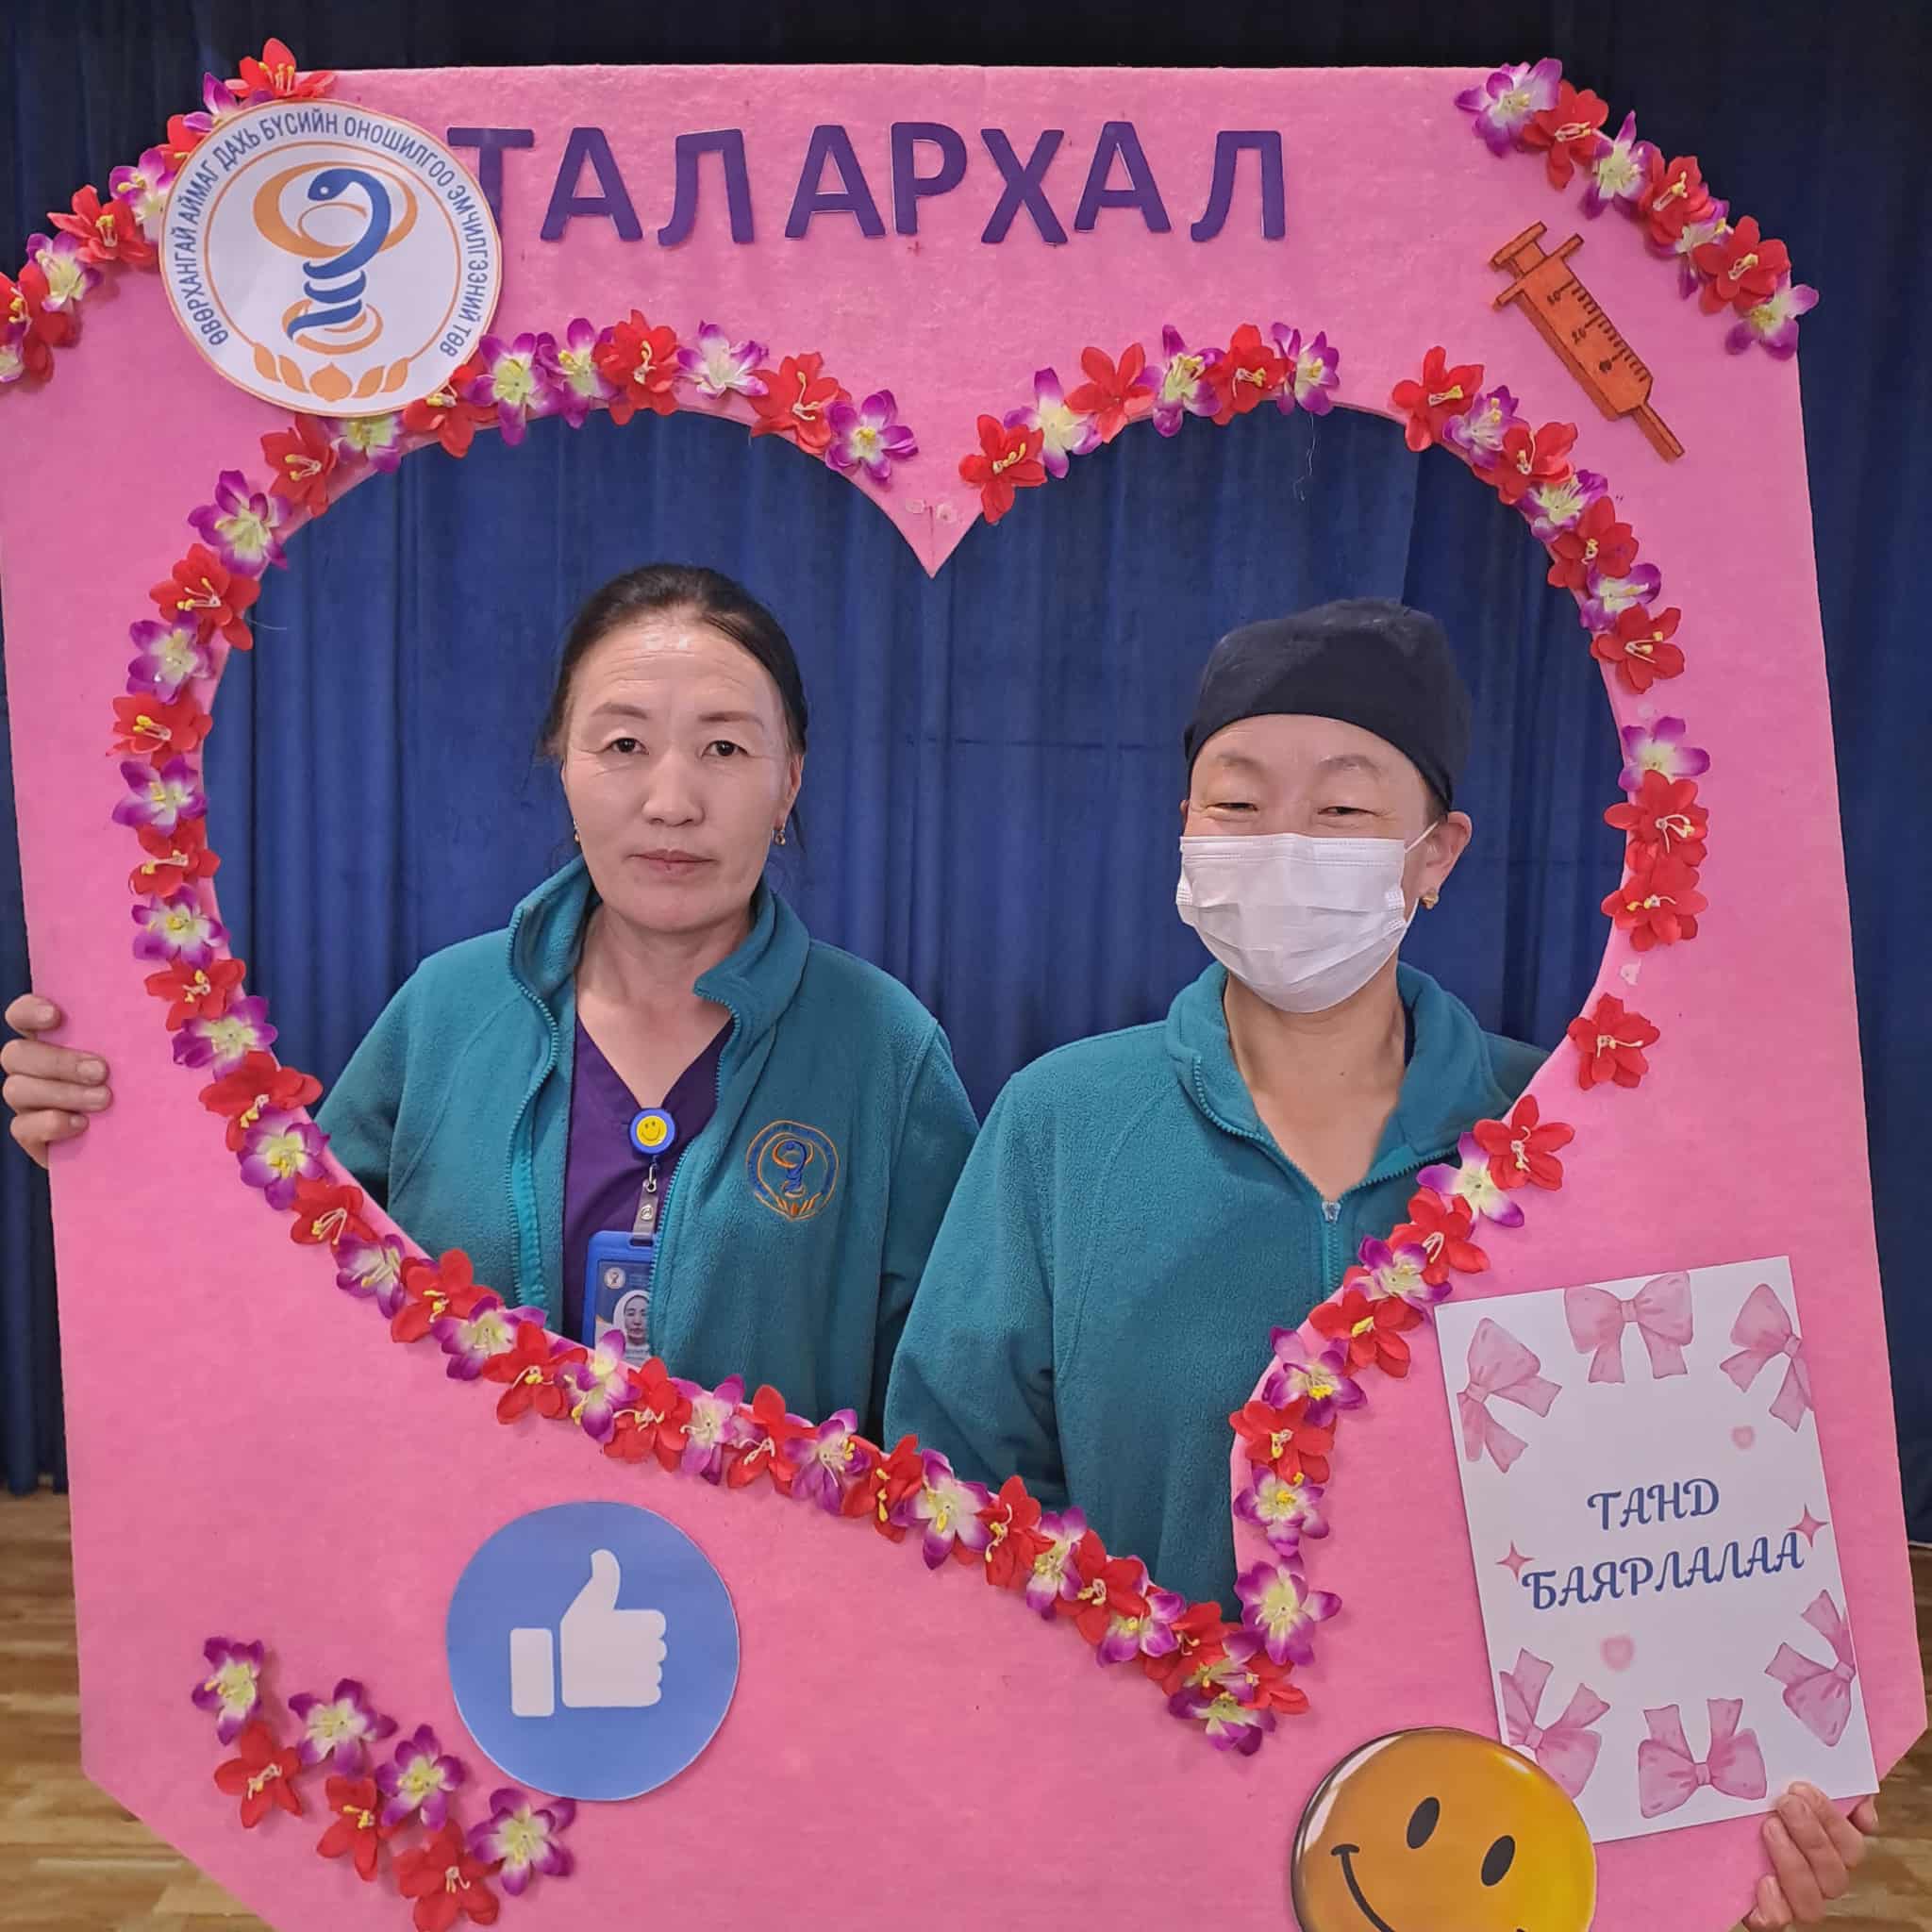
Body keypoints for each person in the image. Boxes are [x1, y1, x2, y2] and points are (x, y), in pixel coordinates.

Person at [884, 599, 1876, 1928]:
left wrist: (1728, 1831)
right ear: (1183, 831)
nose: (1284, 843)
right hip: (1132, 1836)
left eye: (1343, 810)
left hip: (1475, 1851)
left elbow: (1689, 1515)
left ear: (1436, 853)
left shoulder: (1569, 1133)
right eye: (1238, 803)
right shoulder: (1060, 1123)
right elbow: (957, 1480)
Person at [4, 563, 977, 1435]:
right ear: (564, 766)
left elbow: (947, 1409)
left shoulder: (885, 1050)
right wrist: (117, 1147)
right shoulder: (446, 1009)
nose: (672, 801)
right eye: (624, 743)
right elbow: (284, 1281)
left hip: (767, 1575)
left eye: (724, 749)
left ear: (788, 782)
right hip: (455, 1567)